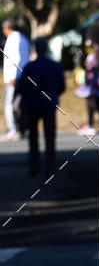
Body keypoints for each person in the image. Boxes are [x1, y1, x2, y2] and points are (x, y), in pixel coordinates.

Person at [16, 37, 65, 176]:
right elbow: (61, 86)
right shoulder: (55, 66)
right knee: (50, 137)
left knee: (33, 136)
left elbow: (22, 88)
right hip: (49, 105)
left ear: (35, 49)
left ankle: (34, 166)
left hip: (32, 105)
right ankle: (50, 168)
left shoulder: (29, 67)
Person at [2, 18, 30, 140]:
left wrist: (13, 76)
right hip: (23, 76)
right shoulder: (23, 38)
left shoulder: (13, 38)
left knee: (9, 104)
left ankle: (14, 129)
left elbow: (15, 58)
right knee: (19, 104)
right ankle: (21, 129)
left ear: (7, 28)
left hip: (15, 77)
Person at [79, 44, 99, 136]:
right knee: (93, 103)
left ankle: (94, 124)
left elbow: (97, 65)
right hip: (93, 81)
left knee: (93, 103)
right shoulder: (92, 55)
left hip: (97, 82)